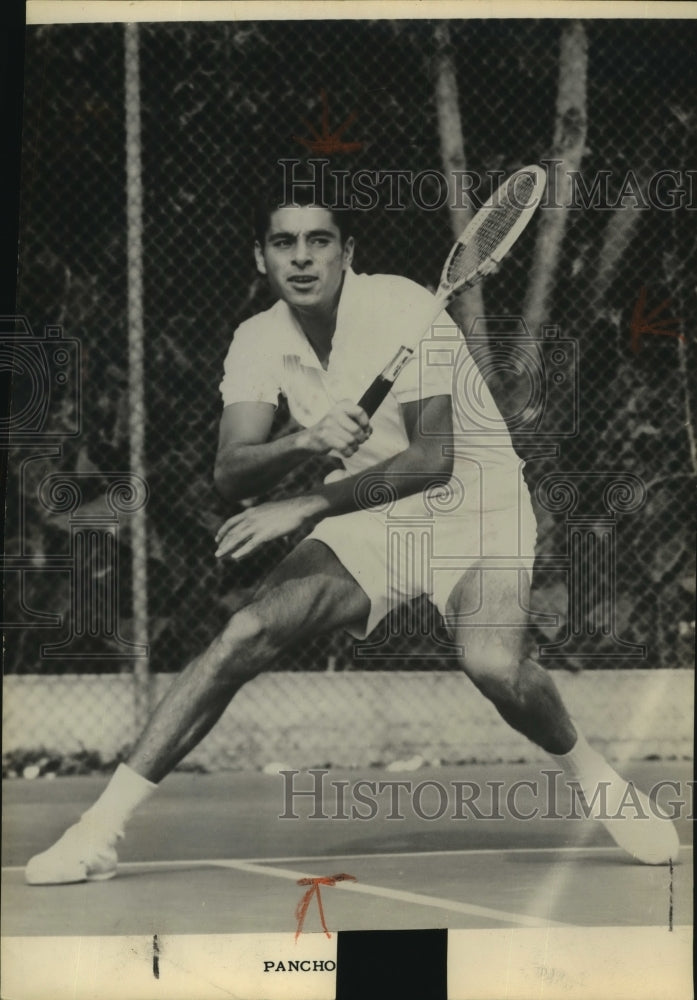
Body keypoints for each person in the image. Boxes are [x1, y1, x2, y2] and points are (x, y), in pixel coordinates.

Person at [25, 182, 678, 884]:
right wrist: (302, 438)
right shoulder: (258, 340)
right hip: (371, 516)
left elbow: (432, 458)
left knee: (492, 667)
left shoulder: (402, 307)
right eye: (283, 243)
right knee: (245, 634)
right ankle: (98, 831)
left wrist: (310, 503)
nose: (301, 259)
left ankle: (597, 781)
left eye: (319, 241)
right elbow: (231, 471)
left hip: (476, 507)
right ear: (260, 257)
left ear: (346, 252)